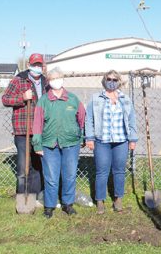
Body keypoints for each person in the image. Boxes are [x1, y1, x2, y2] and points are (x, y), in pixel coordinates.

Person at [32, 67, 86, 218]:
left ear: (63, 79)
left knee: (69, 175)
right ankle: (49, 206)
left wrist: (80, 137)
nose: (57, 80)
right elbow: (37, 124)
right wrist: (37, 144)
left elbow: (82, 118)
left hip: (70, 144)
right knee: (51, 177)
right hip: (49, 145)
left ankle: (67, 204)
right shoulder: (44, 100)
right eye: (53, 78)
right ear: (49, 81)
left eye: (59, 78)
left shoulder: (73, 99)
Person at [85, 70, 138, 214]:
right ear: (104, 80)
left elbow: (132, 119)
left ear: (119, 81)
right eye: (109, 79)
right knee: (102, 171)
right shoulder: (96, 98)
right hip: (102, 141)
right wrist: (89, 138)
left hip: (121, 141)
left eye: (115, 80)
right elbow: (89, 119)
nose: (112, 82)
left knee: (119, 170)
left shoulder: (125, 99)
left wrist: (132, 139)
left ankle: (118, 199)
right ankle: (100, 200)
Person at [1, 53, 49, 204]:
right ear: (29, 65)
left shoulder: (46, 82)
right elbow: (5, 99)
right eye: (34, 64)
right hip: (23, 130)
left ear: (42, 66)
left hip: (41, 131)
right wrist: (22, 97)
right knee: (23, 167)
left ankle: (36, 195)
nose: (37, 67)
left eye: (39, 65)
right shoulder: (19, 80)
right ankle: (22, 196)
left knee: (37, 165)